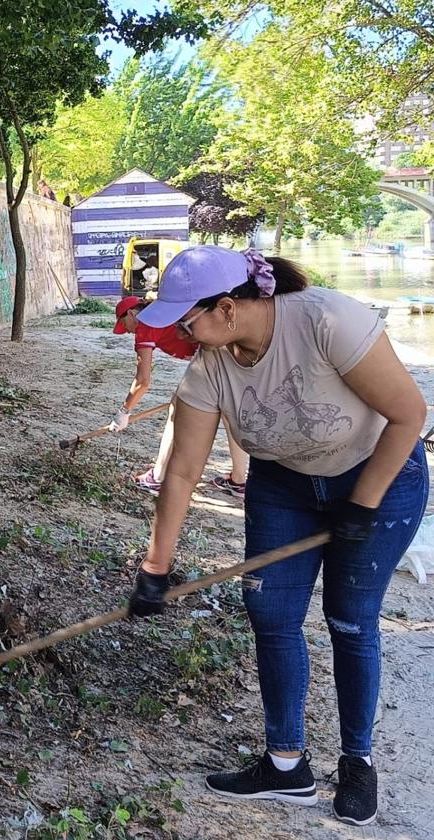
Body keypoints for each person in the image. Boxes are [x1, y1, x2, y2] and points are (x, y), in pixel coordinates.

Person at [127, 246, 427, 827]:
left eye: (188, 321)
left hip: (378, 477)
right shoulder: (211, 364)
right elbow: (183, 471)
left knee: (350, 617)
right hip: (284, 486)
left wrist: (362, 505)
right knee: (271, 613)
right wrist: (155, 569)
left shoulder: (326, 321)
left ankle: (357, 760)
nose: (183, 335)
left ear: (227, 308)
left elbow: (410, 413)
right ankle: (286, 766)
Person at [111, 295, 250, 498]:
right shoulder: (162, 311)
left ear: (132, 313)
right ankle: (239, 480)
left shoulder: (146, 323)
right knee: (228, 414)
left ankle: (158, 478)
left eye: (125, 324)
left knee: (177, 412)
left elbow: (143, 381)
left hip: (211, 352)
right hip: (228, 345)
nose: (128, 331)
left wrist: (124, 411)